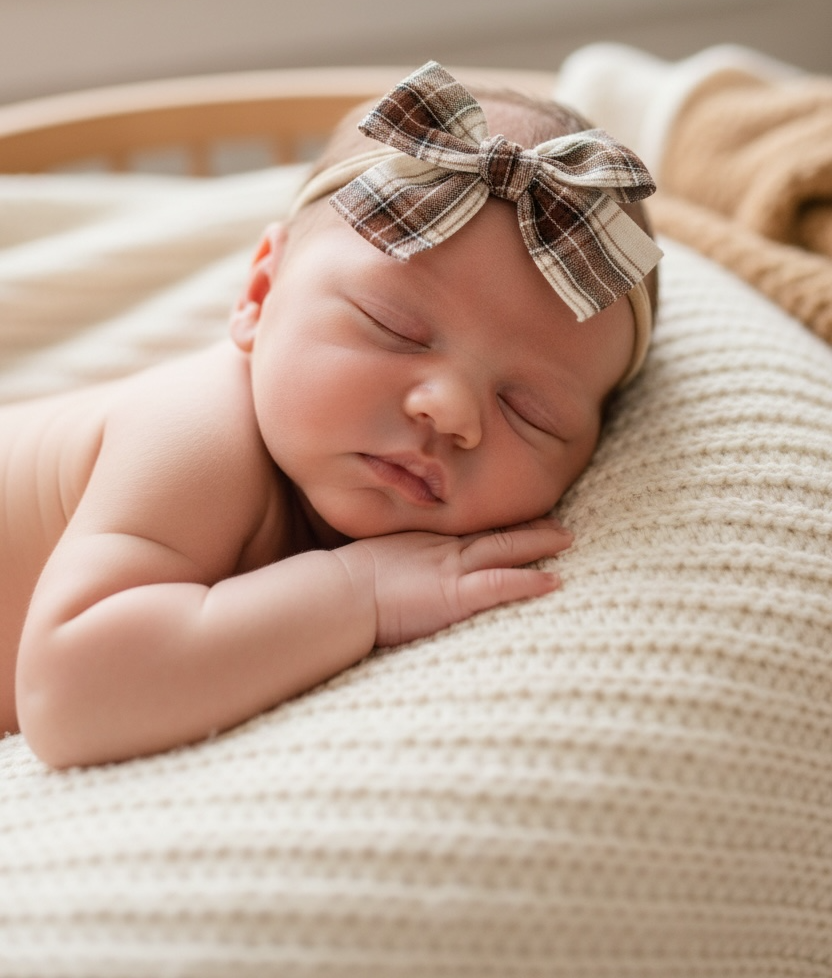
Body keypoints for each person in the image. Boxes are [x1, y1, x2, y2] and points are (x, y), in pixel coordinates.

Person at [0, 62, 661, 768]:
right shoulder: (199, 432)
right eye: (394, 327)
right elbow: (68, 695)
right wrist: (360, 592)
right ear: (259, 293)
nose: (450, 411)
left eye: (528, 411)